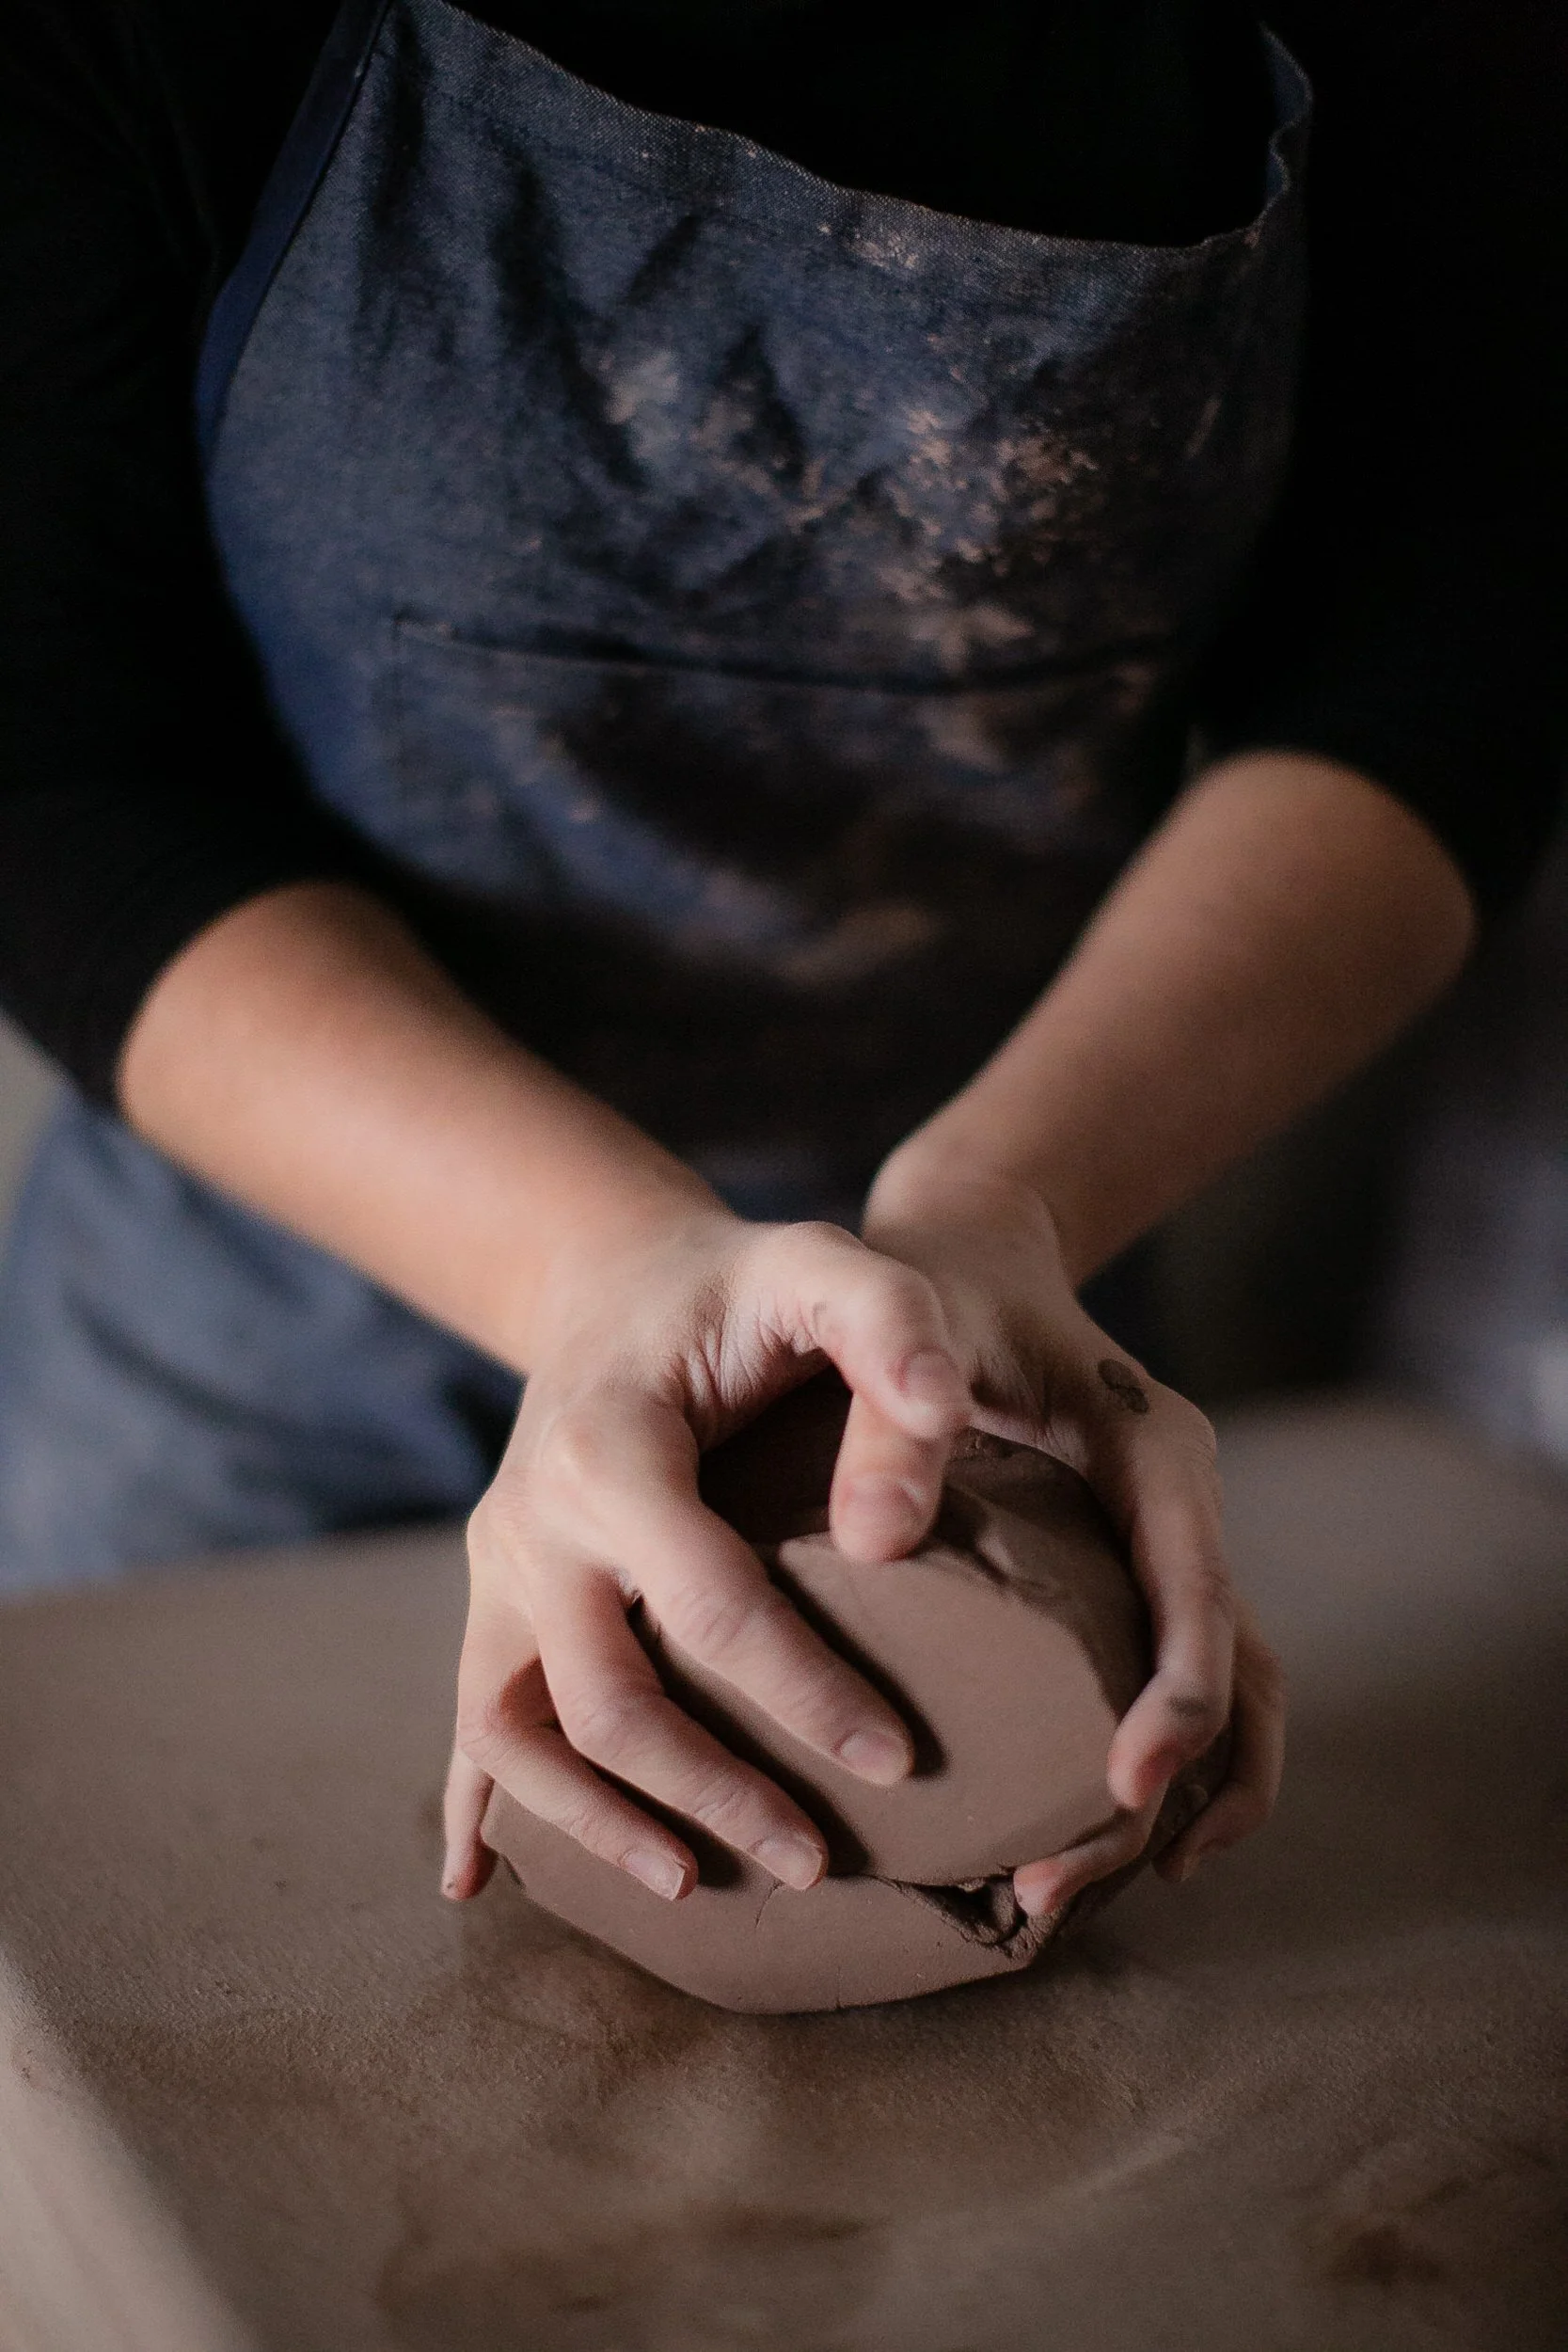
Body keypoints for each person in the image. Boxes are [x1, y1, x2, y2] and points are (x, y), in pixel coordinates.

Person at [0, 0, 1562, 1928]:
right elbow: (56, 764)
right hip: (248, 1369)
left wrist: (1005, 1204)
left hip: (989, 1324)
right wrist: (594, 1266)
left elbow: (1448, 667)